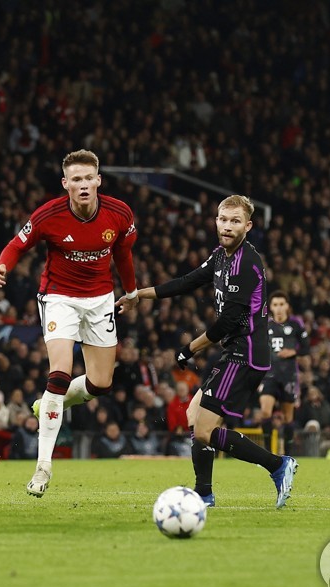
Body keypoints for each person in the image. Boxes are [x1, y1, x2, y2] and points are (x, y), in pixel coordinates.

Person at [117, 195, 297, 508]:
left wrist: (190, 348)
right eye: (223, 219)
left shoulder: (246, 263)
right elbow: (187, 282)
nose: (227, 226)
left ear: (248, 226)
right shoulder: (221, 255)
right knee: (193, 417)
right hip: (235, 351)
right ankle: (205, 494)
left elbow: (228, 321)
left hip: (246, 353)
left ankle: (278, 466)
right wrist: (138, 295)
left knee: (204, 431)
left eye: (235, 221)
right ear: (215, 220)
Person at [0, 149, 137, 497]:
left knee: (101, 384)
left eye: (89, 178)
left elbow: (123, 255)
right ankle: (43, 467)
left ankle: (49, 403)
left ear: (98, 180)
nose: (83, 185)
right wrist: (1, 267)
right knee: (60, 374)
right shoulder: (48, 215)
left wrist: (130, 291)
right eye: (76, 180)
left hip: (100, 299)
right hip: (59, 298)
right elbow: (15, 245)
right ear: (65, 183)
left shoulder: (120, 214)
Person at [257, 291, 309, 453]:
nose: (279, 308)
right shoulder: (265, 325)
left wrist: (293, 352)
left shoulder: (295, 325)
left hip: (288, 377)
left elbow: (306, 347)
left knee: (288, 418)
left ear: (287, 306)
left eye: (281, 304)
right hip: (269, 375)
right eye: (275, 305)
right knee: (265, 411)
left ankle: (287, 455)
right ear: (271, 307)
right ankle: (266, 453)